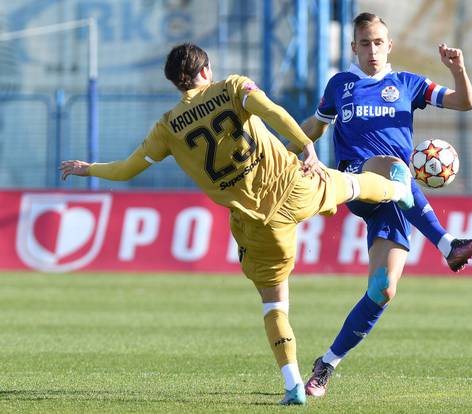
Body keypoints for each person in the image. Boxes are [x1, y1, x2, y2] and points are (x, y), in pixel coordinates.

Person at [59, 42, 416, 406]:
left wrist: (90, 168)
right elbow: (273, 111)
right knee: (348, 184)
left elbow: (127, 169)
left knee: (274, 303)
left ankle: (293, 383)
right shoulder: (232, 87)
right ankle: (396, 190)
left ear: (175, 82)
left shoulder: (167, 128)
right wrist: (304, 144)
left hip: (257, 224)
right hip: (294, 186)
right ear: (205, 71)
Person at [288, 13, 472, 397]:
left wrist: (459, 69)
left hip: (398, 200)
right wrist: (289, 149)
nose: (372, 50)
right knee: (397, 168)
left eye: (379, 42)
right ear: (353, 48)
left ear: (389, 45)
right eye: (365, 43)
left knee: (383, 290)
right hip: (357, 179)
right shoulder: (340, 86)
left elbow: (465, 103)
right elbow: (316, 126)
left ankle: (326, 364)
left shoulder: (407, 85)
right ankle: (448, 245)